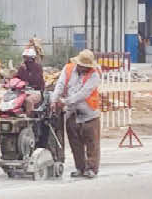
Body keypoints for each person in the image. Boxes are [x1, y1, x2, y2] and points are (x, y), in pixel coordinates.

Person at [51, 49, 102, 179]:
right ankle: (80, 168)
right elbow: (60, 85)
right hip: (72, 113)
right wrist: (54, 100)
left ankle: (91, 168)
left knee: (92, 143)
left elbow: (83, 94)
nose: (84, 68)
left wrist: (65, 102)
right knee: (75, 143)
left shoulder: (94, 75)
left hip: (89, 114)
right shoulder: (68, 69)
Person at [13, 44, 46, 115]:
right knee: (12, 99)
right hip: (23, 91)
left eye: (26, 58)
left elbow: (37, 80)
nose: (25, 60)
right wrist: (9, 83)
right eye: (24, 57)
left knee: (28, 100)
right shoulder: (22, 68)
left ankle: (30, 118)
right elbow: (17, 78)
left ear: (31, 58)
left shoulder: (37, 68)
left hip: (36, 92)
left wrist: (27, 82)